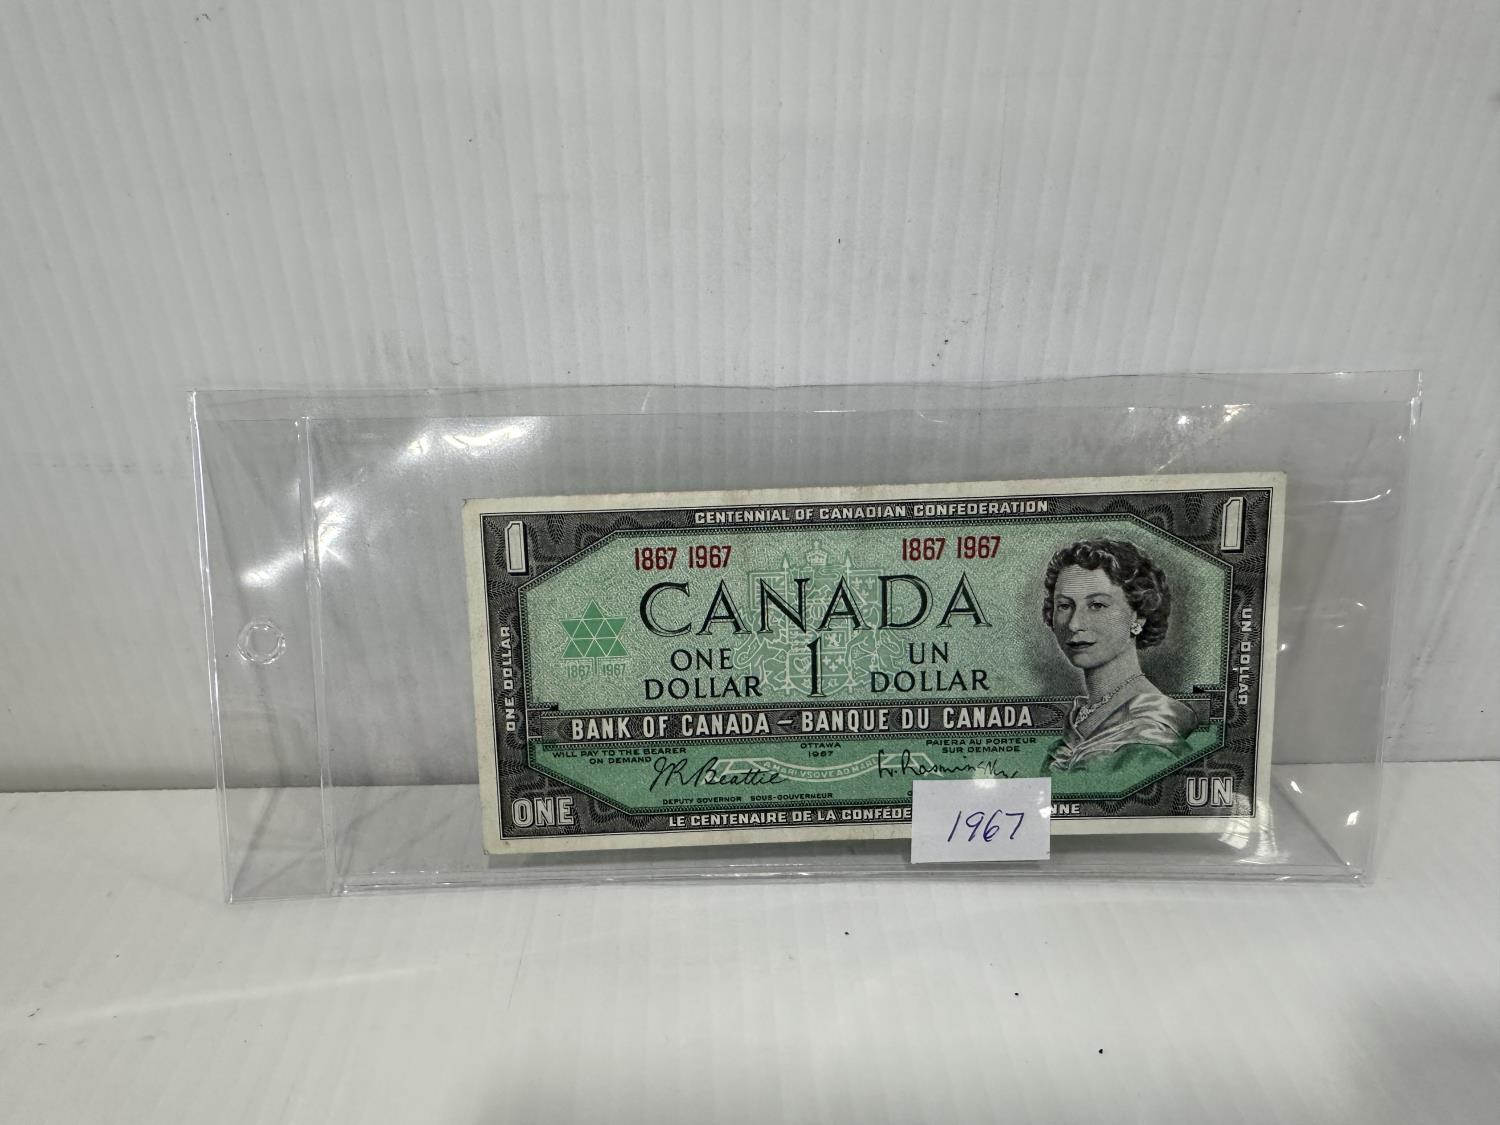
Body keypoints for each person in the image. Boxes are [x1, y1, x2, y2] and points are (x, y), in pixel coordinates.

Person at [1041, 539, 1197, 775]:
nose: (1074, 624)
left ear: (1139, 616)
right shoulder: (1079, 721)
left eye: (1096, 605)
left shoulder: (1151, 738)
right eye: (1064, 606)